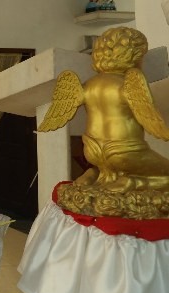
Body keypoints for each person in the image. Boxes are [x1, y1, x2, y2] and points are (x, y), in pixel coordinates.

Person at [39, 27, 169, 196]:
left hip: (93, 152)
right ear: (133, 57)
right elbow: (149, 114)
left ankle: (94, 174)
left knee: (108, 168)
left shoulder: (87, 84)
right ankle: (134, 181)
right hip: (126, 152)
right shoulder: (130, 81)